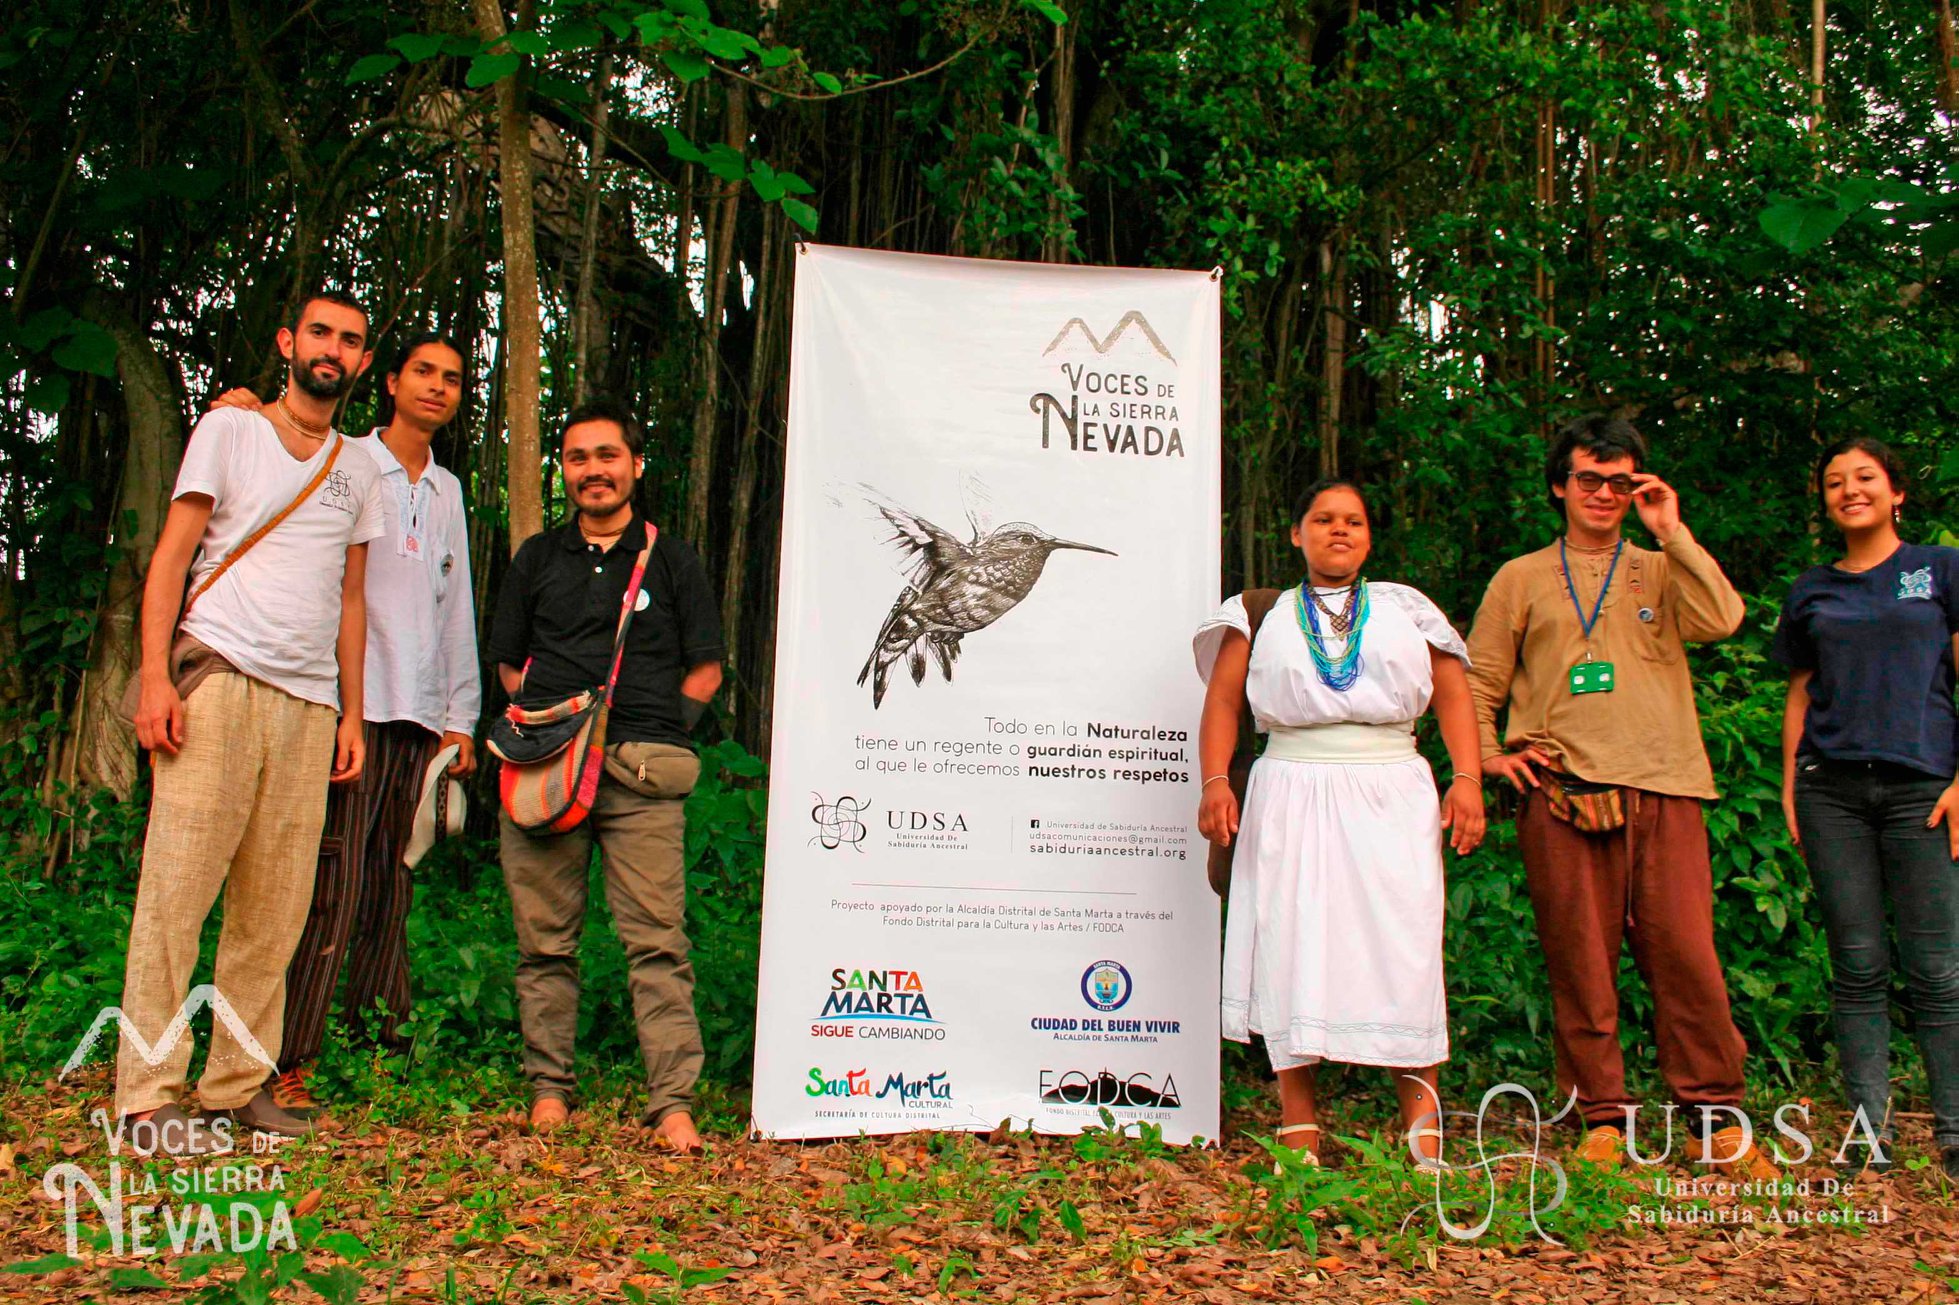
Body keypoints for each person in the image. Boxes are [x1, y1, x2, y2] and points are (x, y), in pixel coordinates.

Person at [1464, 413, 1774, 1178]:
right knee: (1580, 959)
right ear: (1559, 486)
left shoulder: (1660, 567)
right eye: (1588, 479)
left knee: (1686, 956)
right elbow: (1478, 680)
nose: (1603, 493)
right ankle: (1599, 1115)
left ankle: (1714, 1118)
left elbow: (1723, 619)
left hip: (1663, 783)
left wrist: (1671, 530)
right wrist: (1487, 757)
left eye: (1619, 481)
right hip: (1561, 789)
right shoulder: (1520, 577)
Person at [117, 291, 384, 1155]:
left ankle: (236, 1084)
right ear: (288, 342)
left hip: (308, 703)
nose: (332, 350)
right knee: (177, 890)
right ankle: (147, 1092)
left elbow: (351, 597)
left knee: (275, 907)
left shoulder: (360, 467)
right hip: (220, 676)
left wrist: (350, 710)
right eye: (320, 333)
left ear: (362, 361)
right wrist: (154, 675)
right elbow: (173, 556)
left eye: (349, 340)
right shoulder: (228, 429)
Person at [210, 335, 483, 1117]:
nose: (437, 387)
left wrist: (459, 717)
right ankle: (286, 1056)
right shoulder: (347, 459)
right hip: (349, 706)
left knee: (392, 882)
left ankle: (379, 1043)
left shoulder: (447, 490)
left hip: (418, 713)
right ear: (389, 381)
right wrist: (242, 409)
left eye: (452, 378)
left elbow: (454, 604)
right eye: (423, 372)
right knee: (331, 880)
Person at [1194, 480, 1486, 1168]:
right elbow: (1223, 704)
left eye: (1353, 520)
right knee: (1290, 943)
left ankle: (1422, 1132)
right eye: (1323, 518)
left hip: (1392, 789)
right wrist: (1214, 782)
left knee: (1403, 946)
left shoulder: (1406, 608)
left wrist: (1468, 779)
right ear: (1297, 533)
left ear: (1369, 536)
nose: (1339, 530)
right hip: (1289, 787)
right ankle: (1298, 1127)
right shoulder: (1257, 614)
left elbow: (1453, 695)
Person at [487, 397, 724, 1151]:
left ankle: (672, 1102)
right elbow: (508, 665)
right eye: (579, 457)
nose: (594, 470)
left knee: (658, 942)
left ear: (635, 465)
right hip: (547, 768)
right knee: (545, 943)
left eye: (608, 455)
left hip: (641, 773)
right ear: (564, 469)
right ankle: (548, 1090)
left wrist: (650, 730)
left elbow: (706, 670)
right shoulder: (537, 558)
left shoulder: (673, 559)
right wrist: (559, 728)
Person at [1773, 436, 1959, 1180]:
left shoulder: (1939, 569)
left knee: (1937, 968)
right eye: (1834, 481)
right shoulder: (1812, 589)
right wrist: (1790, 785)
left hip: (1925, 790)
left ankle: (1953, 1135)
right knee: (1856, 964)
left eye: (1864, 477)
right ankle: (1868, 1136)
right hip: (1831, 792)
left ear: (1895, 491)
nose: (1849, 490)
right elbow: (1799, 692)